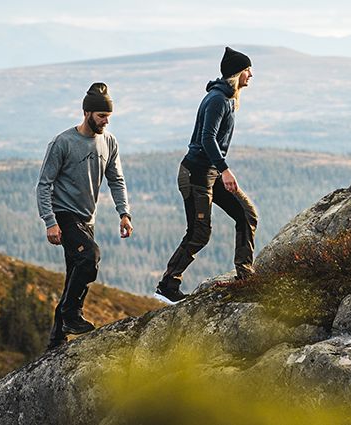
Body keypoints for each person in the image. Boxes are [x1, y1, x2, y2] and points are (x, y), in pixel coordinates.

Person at [155, 46, 258, 303]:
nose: (252, 74)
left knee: (246, 213)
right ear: (237, 73)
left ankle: (245, 274)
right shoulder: (217, 100)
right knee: (199, 233)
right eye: (247, 70)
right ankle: (168, 285)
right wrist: (225, 170)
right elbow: (207, 138)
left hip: (210, 172)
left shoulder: (228, 99)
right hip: (196, 175)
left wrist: (220, 170)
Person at [36, 82, 133, 350]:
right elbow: (44, 184)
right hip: (64, 215)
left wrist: (124, 213)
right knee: (90, 257)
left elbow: (116, 179)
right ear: (87, 112)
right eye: (102, 116)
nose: (106, 121)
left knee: (75, 274)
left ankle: (56, 341)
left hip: (87, 219)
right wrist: (50, 221)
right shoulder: (63, 142)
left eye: (109, 117)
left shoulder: (109, 142)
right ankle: (71, 316)